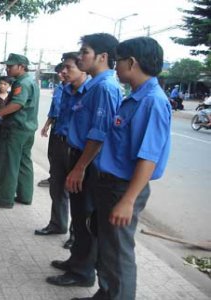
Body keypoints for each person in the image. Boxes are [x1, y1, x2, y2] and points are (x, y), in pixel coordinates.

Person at [73, 37, 172, 300]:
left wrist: (128, 200)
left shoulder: (152, 101)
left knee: (119, 253)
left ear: (132, 62)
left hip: (123, 188)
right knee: (107, 247)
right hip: (109, 184)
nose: (115, 67)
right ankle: (106, 293)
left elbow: (148, 158)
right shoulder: (134, 98)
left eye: (118, 61)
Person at [47, 33, 122, 288]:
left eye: (85, 52)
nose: (80, 57)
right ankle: (76, 260)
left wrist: (80, 167)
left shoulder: (104, 87)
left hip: (89, 163)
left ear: (102, 57)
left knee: (86, 218)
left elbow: (99, 134)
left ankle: (82, 272)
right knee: (79, 216)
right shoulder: (94, 85)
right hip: (79, 157)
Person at [35, 53, 89, 255]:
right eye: (62, 69)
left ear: (82, 68)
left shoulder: (92, 91)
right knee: (57, 185)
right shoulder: (64, 89)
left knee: (76, 192)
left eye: (68, 68)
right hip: (58, 140)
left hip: (77, 147)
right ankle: (57, 223)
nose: (62, 72)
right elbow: (56, 112)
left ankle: (76, 234)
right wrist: (49, 127)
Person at [0, 53, 39, 209]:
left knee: (8, 163)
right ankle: (25, 195)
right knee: (23, 162)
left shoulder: (22, 83)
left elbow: (17, 104)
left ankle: (5, 198)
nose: (7, 69)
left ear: (21, 67)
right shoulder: (30, 81)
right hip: (27, 129)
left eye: (10, 66)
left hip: (15, 129)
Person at [37, 63, 66, 188]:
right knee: (52, 153)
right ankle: (53, 176)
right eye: (58, 72)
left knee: (62, 155)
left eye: (62, 71)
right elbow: (53, 108)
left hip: (65, 128)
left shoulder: (73, 89)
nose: (60, 75)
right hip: (55, 125)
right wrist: (46, 125)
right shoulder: (59, 88)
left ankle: (60, 178)